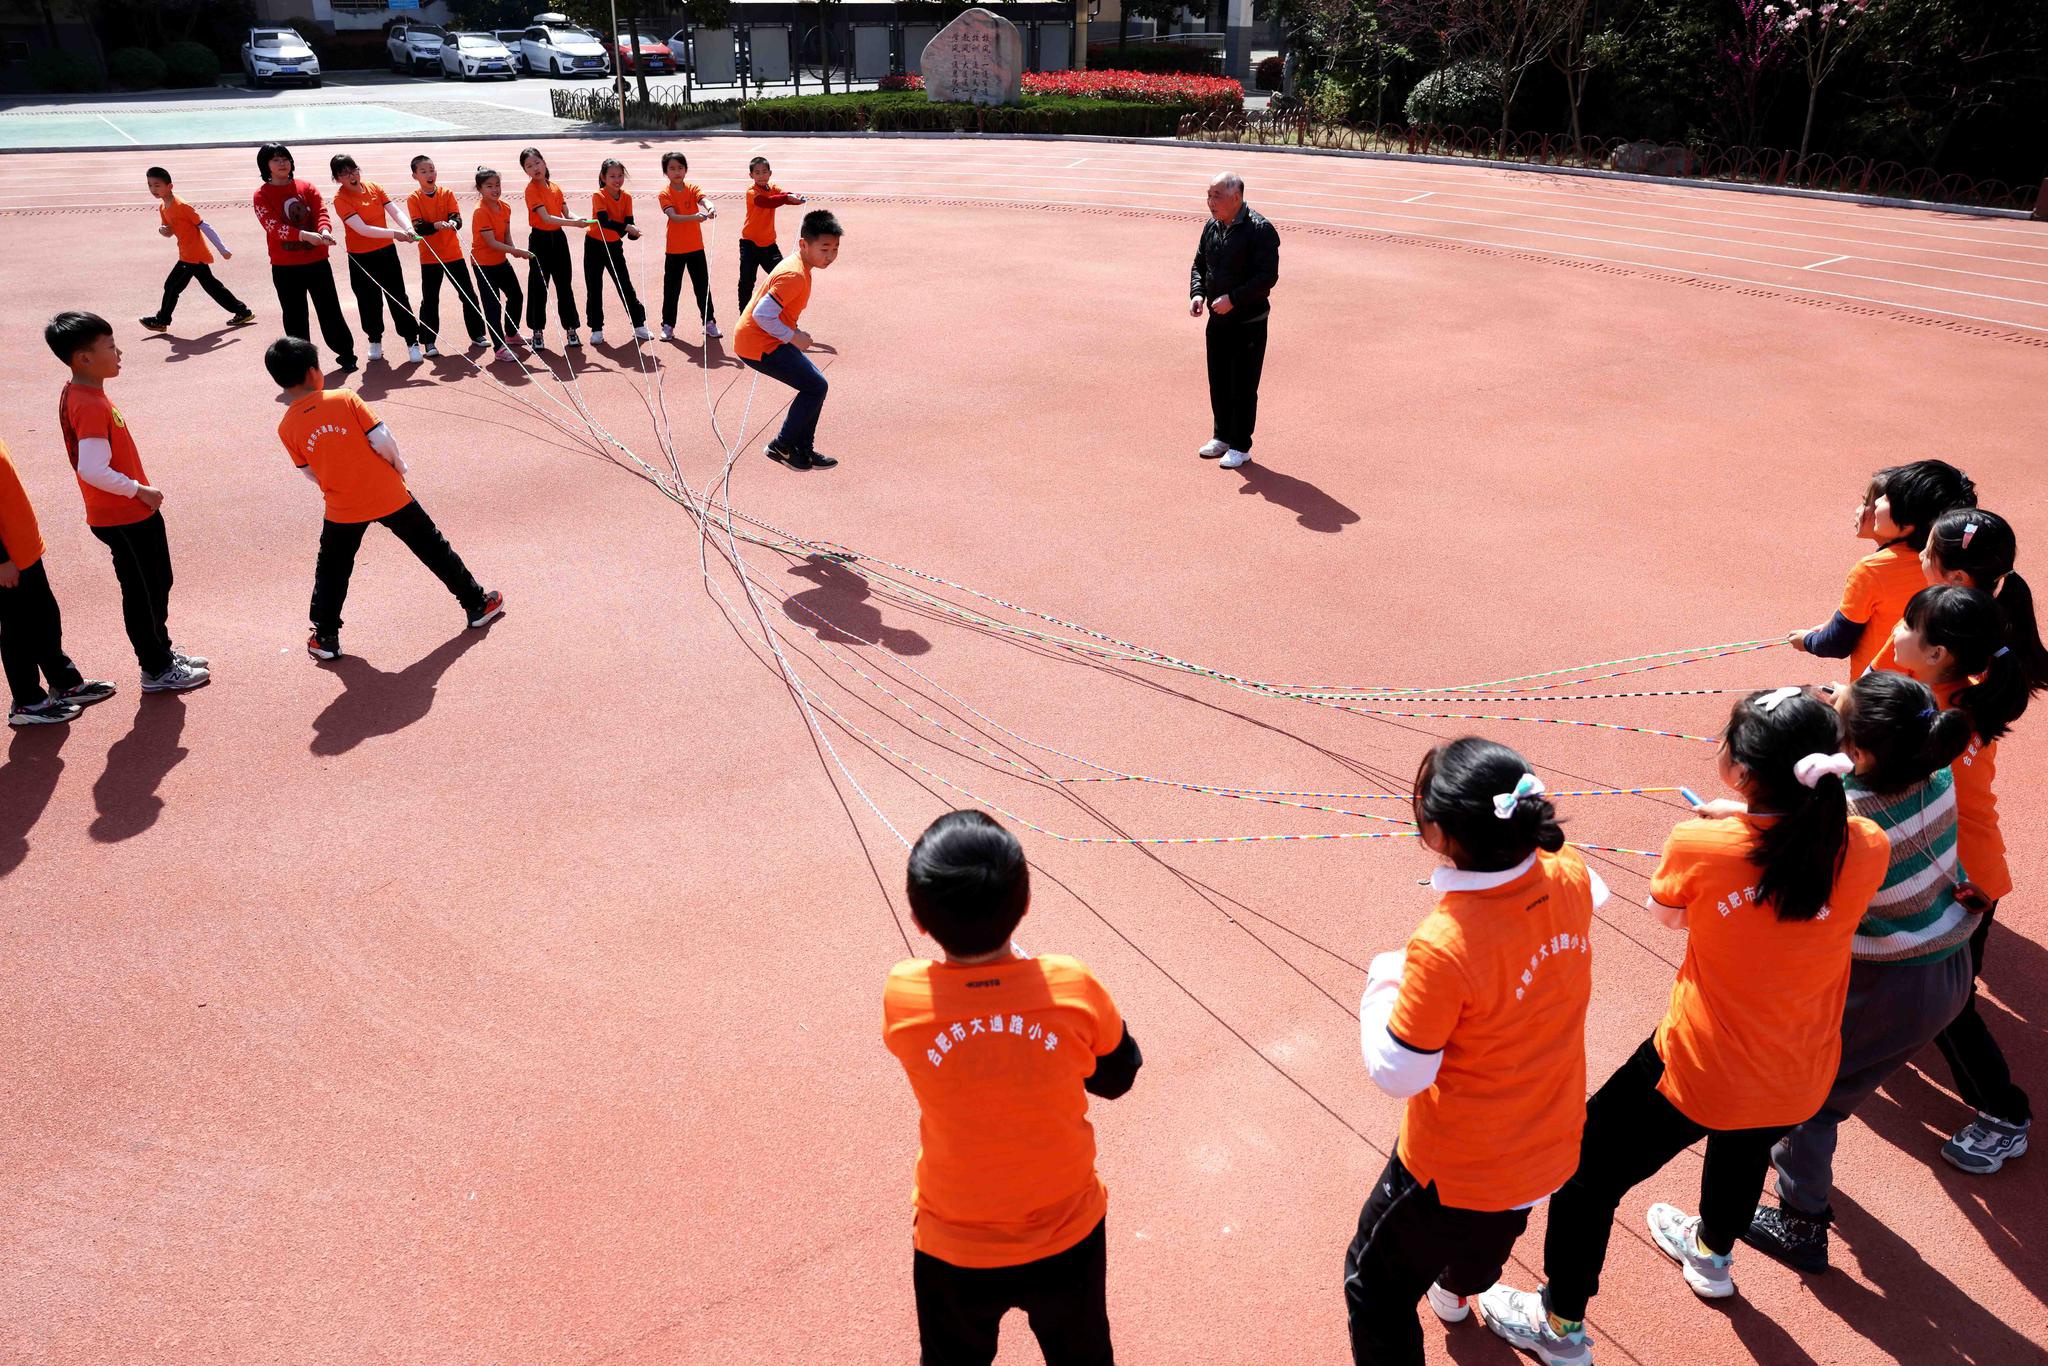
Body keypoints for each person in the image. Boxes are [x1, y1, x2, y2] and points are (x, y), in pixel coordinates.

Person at [1481, 688, 1886, 1365]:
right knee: (1743, 1142)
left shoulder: (1701, 841)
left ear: (1741, 772)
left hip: (1699, 1064)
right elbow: (1801, 849)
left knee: (1584, 1175)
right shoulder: (1864, 842)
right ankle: (1712, 1255)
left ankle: (1559, 1326)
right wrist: (1749, 823)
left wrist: (1729, 830)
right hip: (1802, 1066)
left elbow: (1668, 915)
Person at [1348, 741, 1603, 1365]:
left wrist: (1384, 981)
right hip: (1548, 1138)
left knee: (1373, 1287)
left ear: (1437, 833)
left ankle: (1452, 1290)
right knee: (1492, 1232)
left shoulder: (1446, 943)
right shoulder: (1565, 872)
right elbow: (1596, 892)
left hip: (1455, 1165)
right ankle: (1460, 1291)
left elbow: (1398, 1071)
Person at [882, 810, 1142, 1366]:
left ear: (919, 919)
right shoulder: (1070, 984)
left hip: (954, 1242)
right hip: (1067, 1230)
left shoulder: (903, 995)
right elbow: (1118, 1075)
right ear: (1024, 904)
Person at [1741, 671, 1976, 1271]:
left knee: (1811, 1099)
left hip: (1888, 983)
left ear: (1861, 752)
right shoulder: (1939, 775)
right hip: (1947, 966)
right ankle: (1797, 1181)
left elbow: (1797, 876)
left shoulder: (1851, 819)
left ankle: (1801, 1223)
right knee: (1842, 1083)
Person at [1886, 578, 2046, 1174]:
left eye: (1906, 628)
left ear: (1938, 655)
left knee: (1950, 1001)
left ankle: (2005, 1115)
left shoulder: (1939, 725)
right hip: (1960, 871)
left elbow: (1881, 777)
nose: (1896, 635)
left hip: (1957, 886)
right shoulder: (1956, 704)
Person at [265, 336, 503, 660]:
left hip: (341, 506)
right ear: (312, 372)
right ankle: (477, 604)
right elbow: (382, 440)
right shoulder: (345, 398)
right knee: (433, 548)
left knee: (332, 569)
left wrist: (333, 480)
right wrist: (398, 468)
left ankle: (325, 636)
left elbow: (308, 470)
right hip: (388, 492)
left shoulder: (286, 426)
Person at [44, 312, 210, 694]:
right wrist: (139, 490)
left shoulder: (83, 392)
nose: (119, 352)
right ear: (83, 357)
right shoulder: (89, 404)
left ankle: (163, 654)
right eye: (109, 346)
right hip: (123, 514)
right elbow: (93, 468)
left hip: (123, 513)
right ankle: (155, 669)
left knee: (155, 584)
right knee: (144, 590)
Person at [1789, 459, 1977, 678]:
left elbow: (1837, 642)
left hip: (1880, 696)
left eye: (1887, 498)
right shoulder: (1960, 567)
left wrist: (1806, 641)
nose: (1877, 502)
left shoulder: (1873, 570)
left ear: (1907, 524)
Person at [0, 434, 115, 726]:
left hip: (23, 549)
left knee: (44, 616)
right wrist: (1, 560)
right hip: (7, 559)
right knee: (17, 628)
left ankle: (64, 682)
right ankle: (27, 702)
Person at [735, 209, 842, 472]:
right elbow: (762, 314)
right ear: (804, 244)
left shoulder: (802, 266)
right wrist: (793, 336)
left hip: (767, 338)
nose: (830, 256)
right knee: (815, 386)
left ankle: (802, 448)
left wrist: (792, 332)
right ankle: (781, 445)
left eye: (835, 249)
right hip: (757, 344)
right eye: (824, 249)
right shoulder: (794, 274)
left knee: (816, 384)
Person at [1189, 171, 1279, 472]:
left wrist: (1234, 299)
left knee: (1243, 383)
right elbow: (1199, 264)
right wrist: (1198, 293)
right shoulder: (1211, 227)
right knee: (1219, 380)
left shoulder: (1260, 230)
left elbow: (1266, 278)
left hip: (1248, 321)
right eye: (1209, 195)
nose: (1210, 202)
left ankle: (1241, 446)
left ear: (1236, 198)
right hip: (1218, 321)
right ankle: (1222, 436)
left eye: (1216, 196)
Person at [251, 142, 356, 370]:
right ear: (266, 165)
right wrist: (304, 236)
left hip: (317, 262)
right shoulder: (261, 195)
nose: (282, 163)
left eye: (285, 158)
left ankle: (346, 353)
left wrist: (325, 231)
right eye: (276, 159)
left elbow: (321, 212)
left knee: (329, 309)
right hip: (285, 266)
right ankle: (304, 365)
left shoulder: (306, 187)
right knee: (295, 315)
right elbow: (273, 227)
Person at [331, 154, 424, 365]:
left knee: (398, 296)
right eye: (344, 174)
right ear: (337, 179)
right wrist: (396, 234)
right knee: (368, 300)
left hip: (386, 253)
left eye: (353, 170)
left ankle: (411, 341)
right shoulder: (340, 199)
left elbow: (394, 210)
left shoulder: (374, 187)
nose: (351, 176)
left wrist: (408, 228)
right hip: (361, 257)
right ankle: (374, 339)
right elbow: (362, 229)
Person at [139, 165, 254, 334]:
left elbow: (205, 226)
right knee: (212, 286)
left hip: (192, 255)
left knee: (172, 285)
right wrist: (162, 230)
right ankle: (242, 311)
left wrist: (222, 249)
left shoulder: (182, 206)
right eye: (149, 185)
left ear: (169, 186)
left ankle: (162, 320)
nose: (153, 189)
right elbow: (168, 231)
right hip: (187, 253)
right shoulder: (163, 207)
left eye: (157, 185)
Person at [407, 155, 485, 357]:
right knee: (430, 299)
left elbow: (457, 217)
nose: (429, 174)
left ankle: (477, 334)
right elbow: (419, 227)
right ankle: (429, 341)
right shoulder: (413, 199)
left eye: (431, 169)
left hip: (453, 254)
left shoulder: (447, 193)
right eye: (423, 171)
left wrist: (453, 223)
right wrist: (435, 225)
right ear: (415, 176)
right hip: (430, 257)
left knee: (468, 294)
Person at [518, 147, 593, 351]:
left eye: (537, 163)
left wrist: (579, 219)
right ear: (525, 171)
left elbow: (566, 213)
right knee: (538, 286)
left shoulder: (555, 187)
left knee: (564, 285)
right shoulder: (531, 190)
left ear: (544, 163)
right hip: (540, 240)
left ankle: (571, 328)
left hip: (558, 240)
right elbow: (546, 218)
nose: (535, 168)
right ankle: (537, 331)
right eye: (529, 166)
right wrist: (573, 224)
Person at [584, 158, 650, 346]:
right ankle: (596, 329)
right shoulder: (599, 196)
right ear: (603, 177)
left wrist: (634, 233)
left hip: (613, 246)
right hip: (594, 245)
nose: (617, 179)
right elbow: (604, 221)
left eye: (620, 175)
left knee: (625, 285)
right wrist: (627, 227)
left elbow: (627, 225)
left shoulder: (627, 197)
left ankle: (639, 325)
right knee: (594, 287)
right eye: (612, 176)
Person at [471, 165, 531, 364]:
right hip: (483, 264)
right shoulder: (480, 212)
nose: (495, 189)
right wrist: (516, 251)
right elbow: (491, 243)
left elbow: (505, 236)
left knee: (516, 295)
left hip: (500, 261)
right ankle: (499, 348)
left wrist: (514, 250)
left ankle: (511, 334)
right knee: (492, 306)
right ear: (480, 189)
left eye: (497, 185)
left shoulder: (505, 207)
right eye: (489, 186)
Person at [656, 151, 719, 341]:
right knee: (672, 288)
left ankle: (709, 322)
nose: (677, 172)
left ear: (686, 170)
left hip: (695, 247)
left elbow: (703, 198)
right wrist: (695, 217)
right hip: (675, 249)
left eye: (680, 168)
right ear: (666, 172)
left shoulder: (692, 188)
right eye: (672, 169)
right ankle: (668, 325)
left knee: (702, 286)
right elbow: (673, 216)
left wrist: (710, 206)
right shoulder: (665, 193)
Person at [737, 156, 804, 311]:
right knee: (746, 281)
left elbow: (783, 196)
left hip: (769, 245)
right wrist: (786, 198)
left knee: (783, 276)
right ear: (751, 175)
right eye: (757, 172)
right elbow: (767, 202)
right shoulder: (751, 191)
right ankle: (743, 313)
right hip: (749, 244)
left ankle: (783, 313)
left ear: (770, 173)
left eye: (764, 172)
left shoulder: (772, 188)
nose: (761, 176)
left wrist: (795, 197)